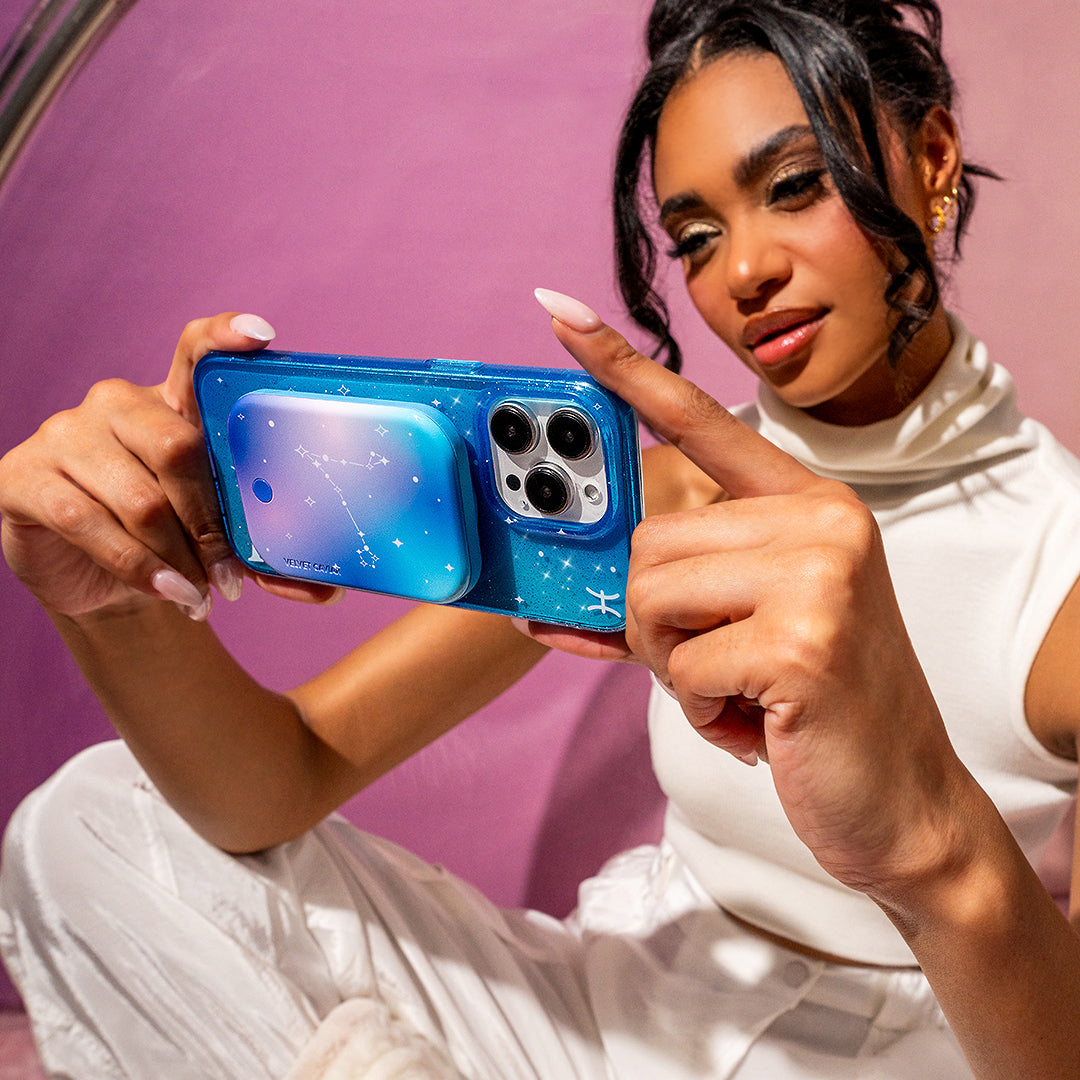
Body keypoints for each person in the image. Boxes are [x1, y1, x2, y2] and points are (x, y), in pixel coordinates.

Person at [1, 0, 1079, 1077]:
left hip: (908, 1053)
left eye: (794, 185)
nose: (742, 272)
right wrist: (119, 604)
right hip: (614, 1011)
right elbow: (280, 781)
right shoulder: (660, 495)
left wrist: (936, 841)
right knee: (88, 825)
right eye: (696, 239)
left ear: (933, 156)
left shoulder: (1061, 571)